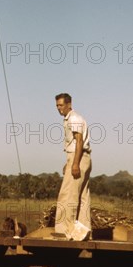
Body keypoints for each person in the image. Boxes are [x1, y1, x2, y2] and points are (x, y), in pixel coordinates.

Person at [54, 93, 91, 240]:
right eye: (57, 106)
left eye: (61, 105)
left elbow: (79, 141)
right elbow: (75, 144)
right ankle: (84, 233)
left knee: (68, 195)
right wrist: (69, 162)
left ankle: (65, 231)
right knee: (83, 196)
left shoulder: (74, 118)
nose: (59, 108)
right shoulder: (71, 118)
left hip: (79, 158)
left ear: (69, 104)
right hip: (81, 157)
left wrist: (75, 163)